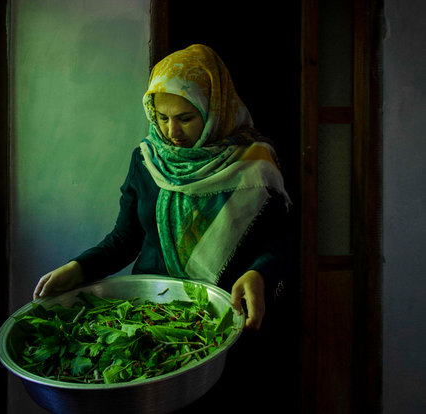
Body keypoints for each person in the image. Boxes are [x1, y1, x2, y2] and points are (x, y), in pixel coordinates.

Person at [33, 44, 291, 332]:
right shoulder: (148, 159)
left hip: (226, 317)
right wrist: (78, 268)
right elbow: (124, 240)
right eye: (161, 117)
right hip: (152, 315)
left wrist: (260, 273)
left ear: (214, 109)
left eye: (185, 118)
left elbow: (280, 241)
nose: (172, 132)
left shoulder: (255, 165)